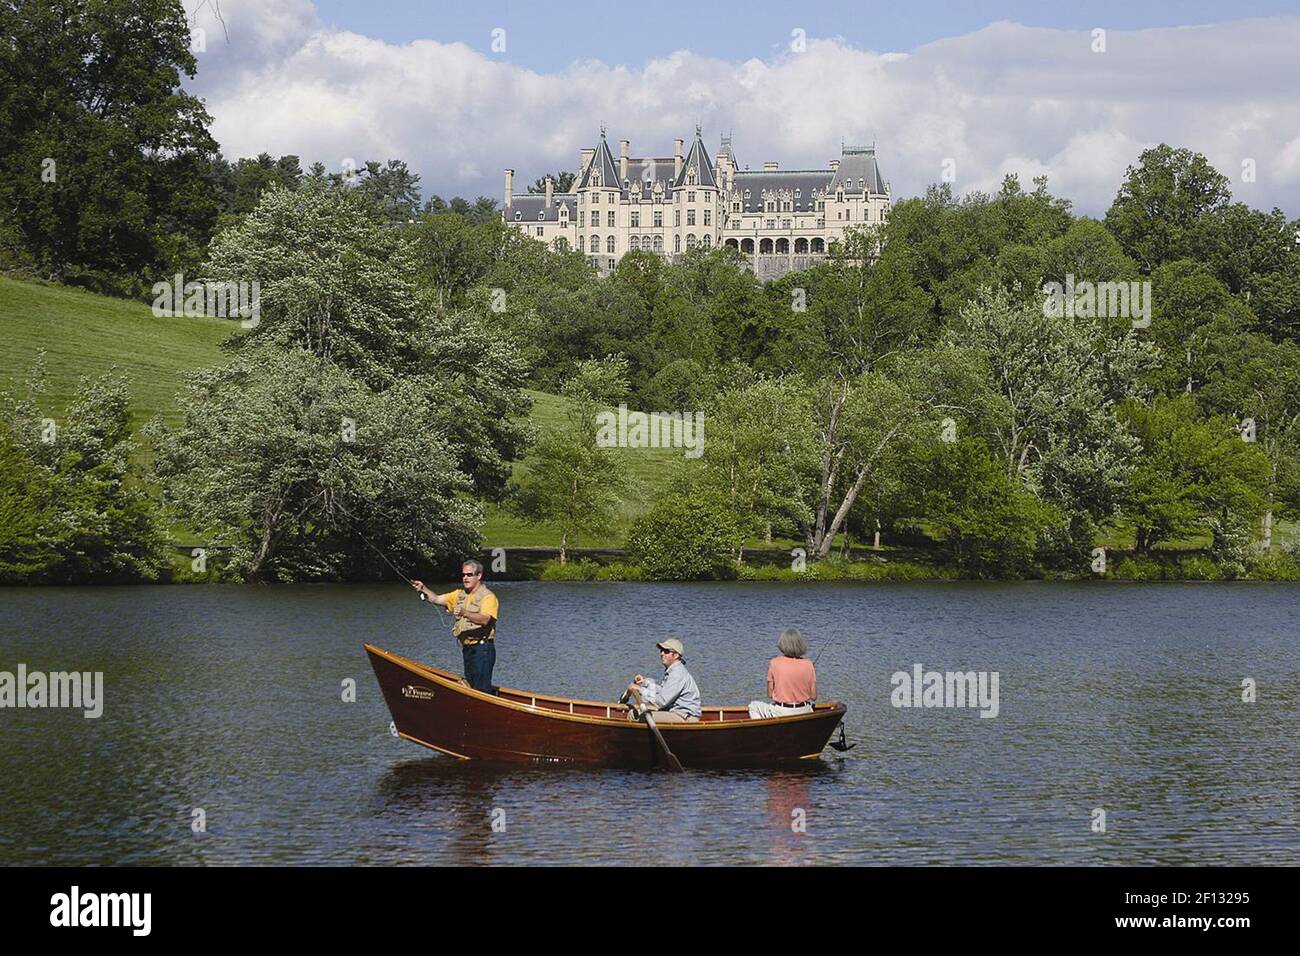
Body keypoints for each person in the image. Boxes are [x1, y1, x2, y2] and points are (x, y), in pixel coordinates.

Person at [411, 560, 499, 693]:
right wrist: (423, 588)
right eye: (463, 575)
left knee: (481, 690)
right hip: (467, 649)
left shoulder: (488, 597)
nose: (465, 578)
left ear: (479, 576)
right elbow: (436, 599)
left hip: (483, 650)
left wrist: (465, 613)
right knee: (471, 688)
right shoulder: (459, 595)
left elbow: (485, 619)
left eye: (469, 575)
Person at [626, 639, 701, 722]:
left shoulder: (677, 673)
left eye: (666, 651)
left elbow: (661, 702)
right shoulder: (673, 670)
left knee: (634, 715)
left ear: (676, 655)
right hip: (676, 713)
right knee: (636, 713)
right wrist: (645, 683)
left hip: (684, 716)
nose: (662, 654)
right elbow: (663, 691)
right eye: (661, 651)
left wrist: (640, 690)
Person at [748, 628, 816, 719]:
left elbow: (770, 694)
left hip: (782, 711)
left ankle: (761, 731)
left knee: (753, 706)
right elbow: (814, 696)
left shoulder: (774, 662)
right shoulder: (809, 664)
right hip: (804, 710)